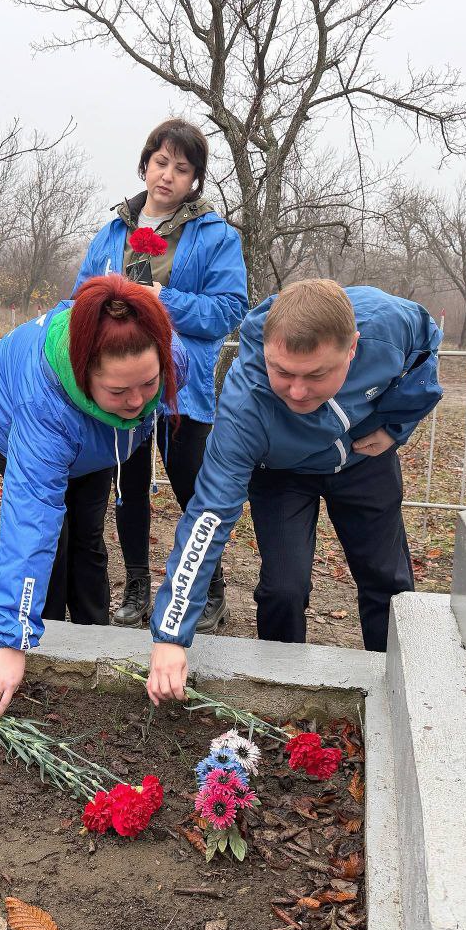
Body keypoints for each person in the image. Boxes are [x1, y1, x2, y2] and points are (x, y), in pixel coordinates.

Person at [144, 279, 443, 705]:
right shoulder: (244, 410)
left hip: (362, 460)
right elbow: (208, 516)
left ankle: (399, 693)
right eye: (282, 372)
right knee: (283, 587)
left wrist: (397, 427)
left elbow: (426, 356)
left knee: (386, 581)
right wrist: (171, 634)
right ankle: (281, 693)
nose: (298, 392)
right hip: (282, 472)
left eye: (316, 374)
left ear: (353, 348)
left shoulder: (390, 323)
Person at [0, 274, 187, 718]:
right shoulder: (42, 408)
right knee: (51, 543)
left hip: (97, 439)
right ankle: (43, 642)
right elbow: (29, 524)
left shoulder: (168, 357)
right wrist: (11, 643)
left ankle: (94, 632)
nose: (137, 401)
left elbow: (150, 388)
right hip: (20, 423)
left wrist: (129, 400)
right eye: (118, 390)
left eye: (148, 384)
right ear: (83, 372)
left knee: (88, 535)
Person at [72, 119, 246, 633]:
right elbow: (81, 297)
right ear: (146, 163)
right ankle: (136, 587)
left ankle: (208, 588)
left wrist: (158, 300)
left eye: (183, 168)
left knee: (193, 489)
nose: (167, 176)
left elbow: (226, 310)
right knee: (128, 487)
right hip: (119, 386)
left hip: (179, 389)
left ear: (195, 179)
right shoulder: (113, 231)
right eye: (161, 162)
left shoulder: (214, 236)